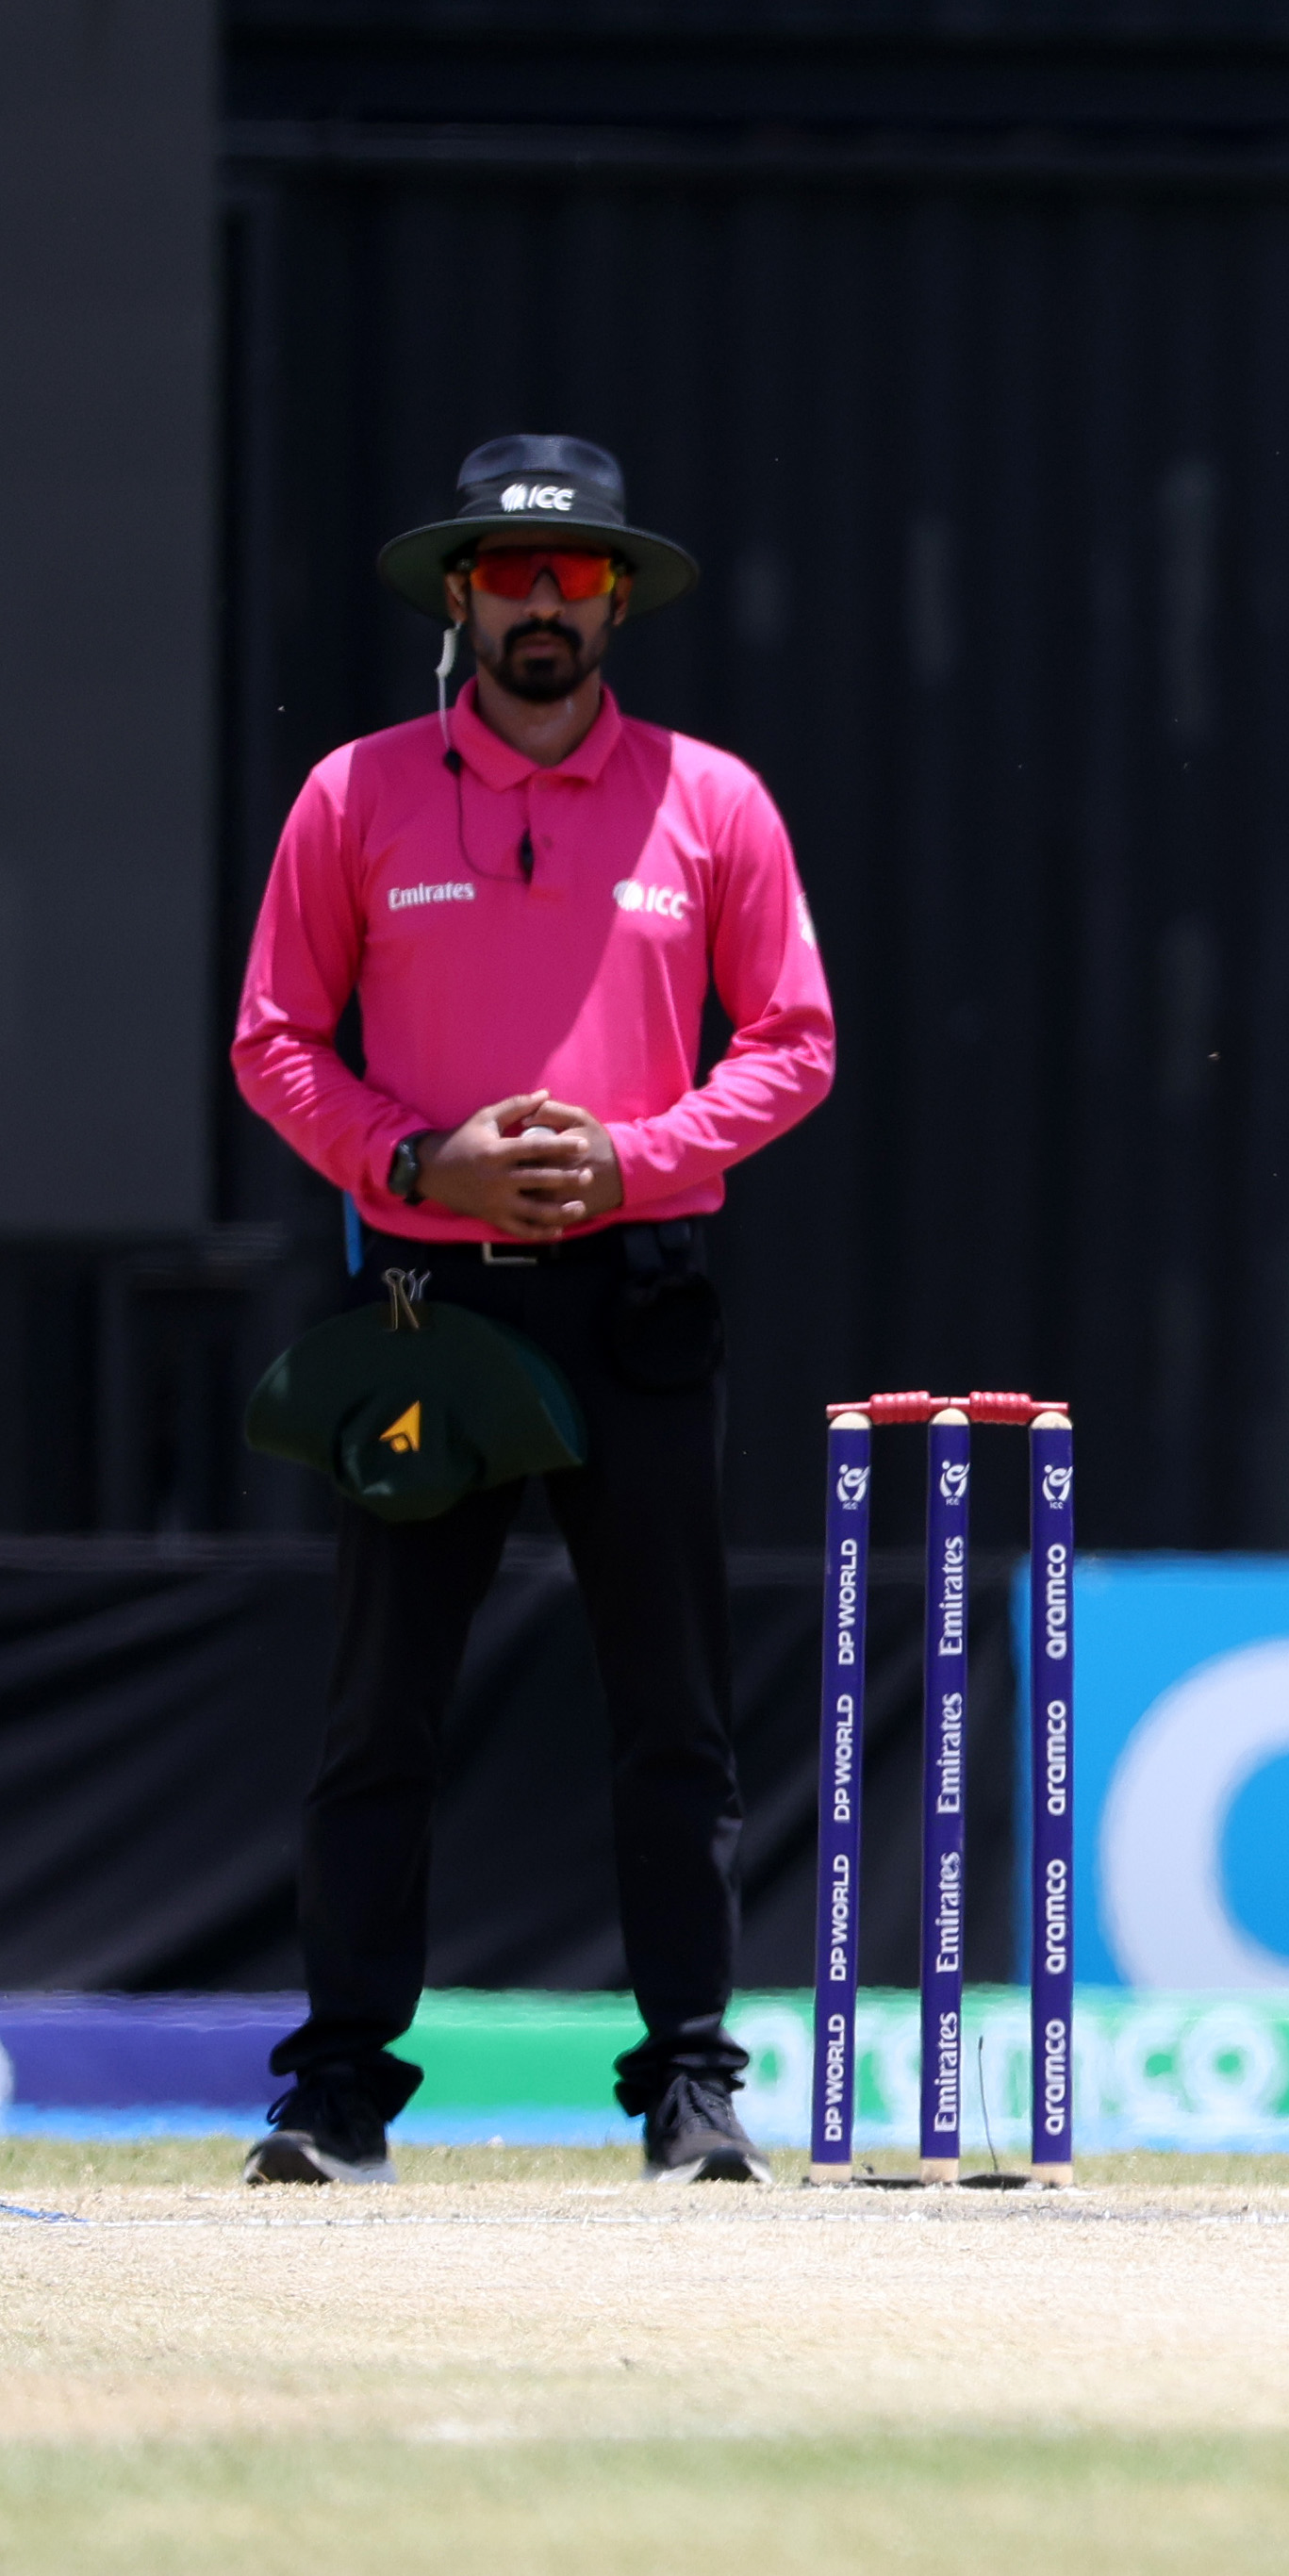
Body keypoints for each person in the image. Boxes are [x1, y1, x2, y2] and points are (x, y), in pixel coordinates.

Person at [226, 435, 835, 2185]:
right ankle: (339, 2089)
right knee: (381, 1710)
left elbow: (793, 1042)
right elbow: (275, 1040)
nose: (542, 602)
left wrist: (630, 1162)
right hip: (429, 1308)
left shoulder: (711, 800)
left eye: (572, 574)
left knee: (674, 1710)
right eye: (509, 573)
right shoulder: (355, 795)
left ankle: (690, 2085)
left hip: (637, 1294)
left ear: (619, 597)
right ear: (462, 596)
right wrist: (422, 1160)